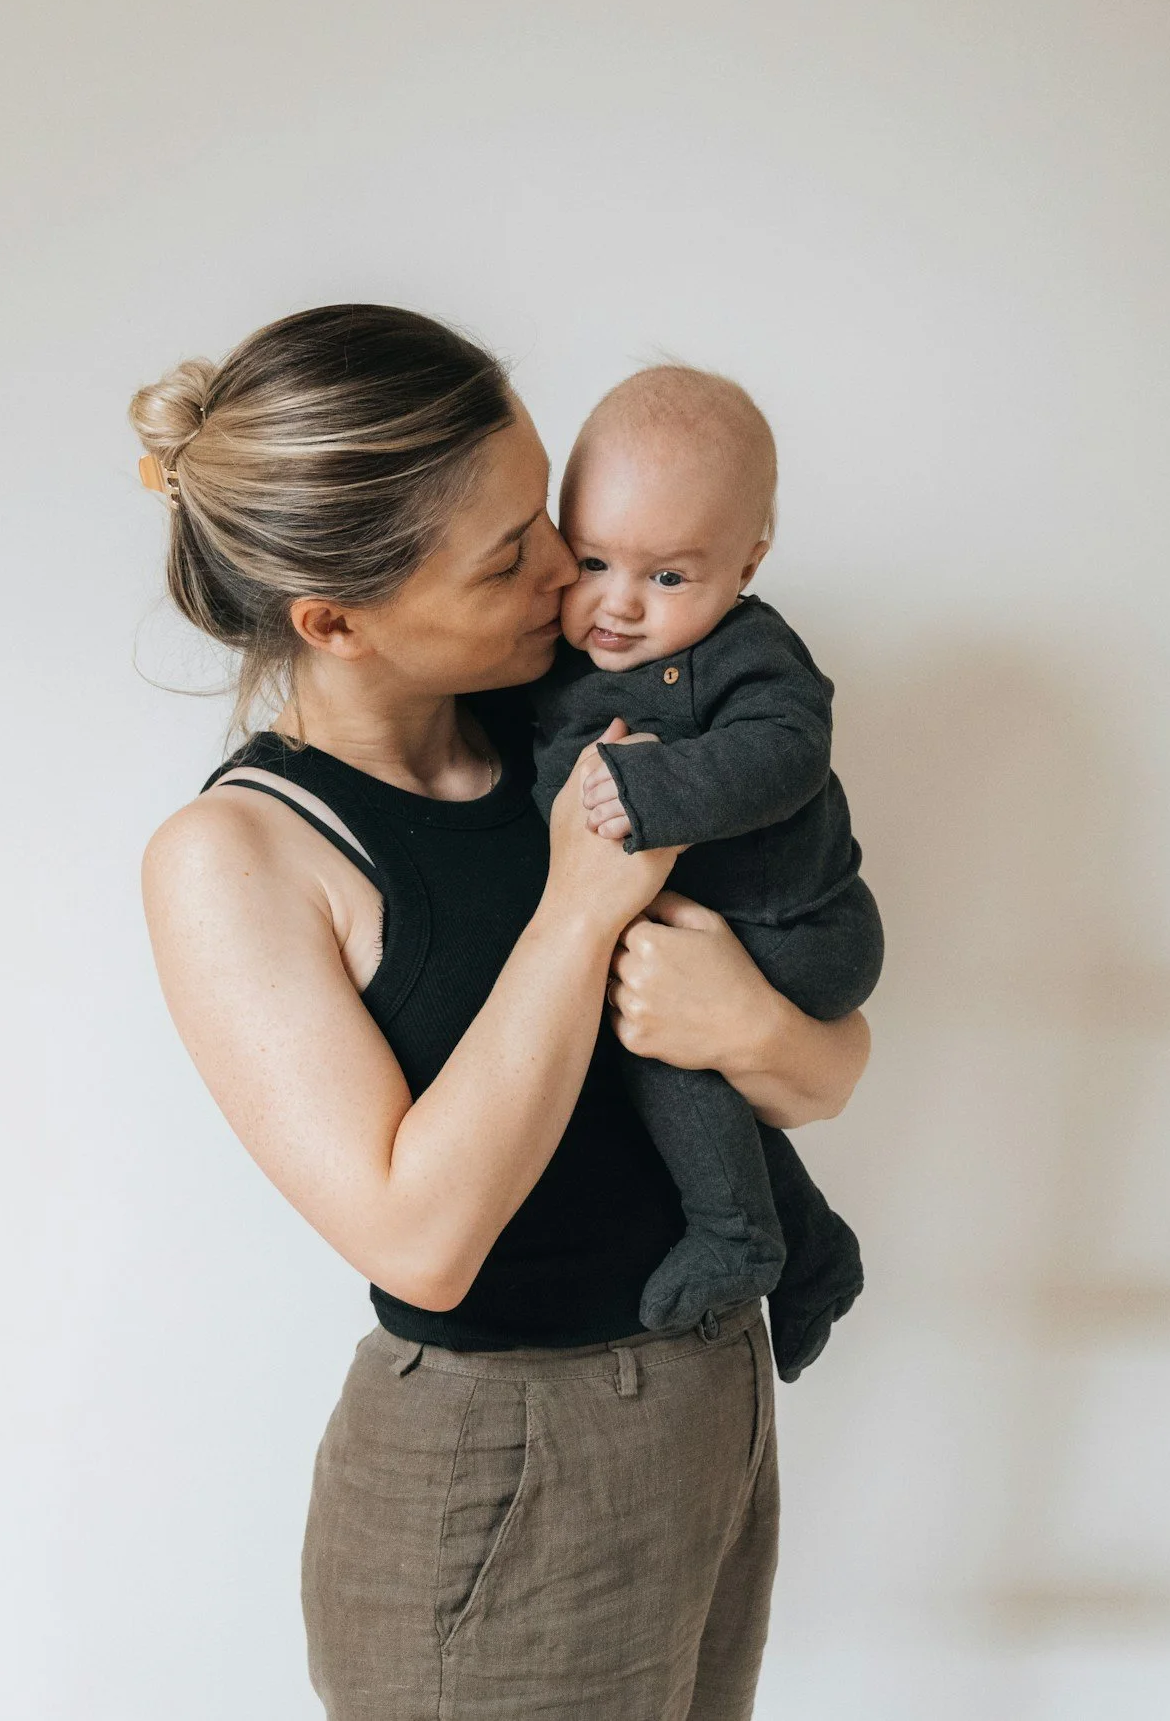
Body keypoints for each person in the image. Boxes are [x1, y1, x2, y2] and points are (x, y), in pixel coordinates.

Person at [130, 305, 872, 1721]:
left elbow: (826, 1068)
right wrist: (581, 909)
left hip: (712, 1401)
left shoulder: (579, 719)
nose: (569, 574)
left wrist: (752, 1026)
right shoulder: (239, 859)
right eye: (512, 555)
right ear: (335, 620)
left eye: (547, 519)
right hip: (505, 1459)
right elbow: (421, 1236)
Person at [532, 366, 876, 1381]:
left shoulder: (749, 655)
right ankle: (814, 1252)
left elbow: (787, 751)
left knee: (651, 1046)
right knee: (662, 1060)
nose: (619, 604)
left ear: (747, 559)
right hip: (701, 937)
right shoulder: (556, 666)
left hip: (797, 928)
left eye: (668, 576)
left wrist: (659, 791)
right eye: (591, 559)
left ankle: (742, 1238)